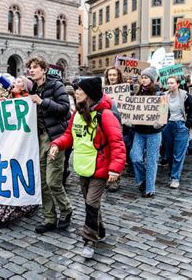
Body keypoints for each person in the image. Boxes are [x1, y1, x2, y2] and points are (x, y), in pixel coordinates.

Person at [49, 77, 125, 258]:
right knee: (91, 203)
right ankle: (100, 229)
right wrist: (57, 145)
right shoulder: (77, 113)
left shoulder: (105, 115)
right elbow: (69, 135)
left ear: (89, 94)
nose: (76, 92)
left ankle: (89, 240)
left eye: (79, 90)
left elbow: (117, 143)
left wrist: (115, 169)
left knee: (91, 203)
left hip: (100, 168)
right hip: (83, 166)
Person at [28, 57, 73, 234]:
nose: (31, 71)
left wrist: (42, 102)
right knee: (43, 183)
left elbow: (64, 109)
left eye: (35, 67)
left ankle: (66, 209)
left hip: (55, 138)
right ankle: (49, 218)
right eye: (30, 68)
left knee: (53, 181)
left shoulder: (56, 86)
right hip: (40, 139)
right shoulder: (33, 88)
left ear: (44, 69)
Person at [0, 77, 39, 230]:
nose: (14, 84)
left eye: (18, 82)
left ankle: (6, 214)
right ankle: (13, 209)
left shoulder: (28, 101)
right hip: (7, 145)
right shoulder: (9, 100)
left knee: (17, 177)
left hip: (23, 147)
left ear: (25, 87)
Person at [130, 67, 164, 198]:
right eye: (142, 77)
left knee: (151, 160)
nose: (144, 80)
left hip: (154, 132)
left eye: (146, 78)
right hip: (139, 131)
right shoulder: (137, 93)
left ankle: (150, 188)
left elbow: (166, 111)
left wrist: (161, 121)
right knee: (135, 157)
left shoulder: (159, 94)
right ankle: (142, 180)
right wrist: (130, 119)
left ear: (152, 80)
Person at [162, 76, 192, 189]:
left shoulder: (185, 95)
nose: (170, 85)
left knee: (178, 154)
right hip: (168, 126)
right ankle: (172, 171)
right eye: (168, 83)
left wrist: (187, 124)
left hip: (181, 125)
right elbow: (160, 111)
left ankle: (175, 178)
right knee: (168, 153)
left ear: (178, 84)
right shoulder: (164, 96)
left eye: (172, 83)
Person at [102, 66, 125, 192]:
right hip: (105, 123)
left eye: (114, 75)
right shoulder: (103, 91)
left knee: (116, 152)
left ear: (118, 76)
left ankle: (116, 180)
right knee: (106, 152)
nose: (112, 77)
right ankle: (107, 177)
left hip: (118, 124)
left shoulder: (124, 90)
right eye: (110, 75)